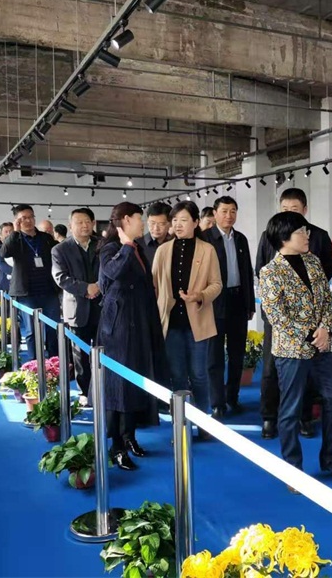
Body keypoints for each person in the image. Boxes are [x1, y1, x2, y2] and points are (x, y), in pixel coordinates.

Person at [259, 211, 332, 486]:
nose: (307, 235)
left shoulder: (313, 261)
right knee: (291, 408)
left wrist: (325, 329)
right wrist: (313, 335)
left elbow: (326, 300)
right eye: (301, 232)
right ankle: (293, 469)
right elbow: (277, 317)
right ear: (284, 237)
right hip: (291, 350)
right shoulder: (270, 272)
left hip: (323, 347)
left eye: (306, 231)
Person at [256, 188, 332, 440]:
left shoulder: (318, 237)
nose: (289, 214)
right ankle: (269, 417)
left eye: (295, 210)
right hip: (281, 321)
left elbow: (326, 276)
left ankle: (306, 416)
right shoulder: (269, 236)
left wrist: (321, 325)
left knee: (310, 374)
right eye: (285, 209)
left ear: (305, 210)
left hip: (314, 321)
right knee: (271, 369)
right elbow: (261, 269)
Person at [96, 202, 169, 470]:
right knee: (118, 388)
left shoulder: (136, 247)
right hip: (119, 328)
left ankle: (129, 437)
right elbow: (112, 273)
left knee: (134, 383)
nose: (144, 224)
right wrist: (126, 246)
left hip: (139, 323)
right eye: (140, 218)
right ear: (126, 220)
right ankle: (116, 446)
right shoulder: (111, 247)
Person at [152, 201, 222, 424]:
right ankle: (181, 425)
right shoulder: (163, 250)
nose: (178, 225)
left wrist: (199, 295)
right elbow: (154, 286)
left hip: (197, 321)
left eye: (183, 220)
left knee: (199, 375)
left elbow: (217, 284)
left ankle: (203, 423)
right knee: (177, 376)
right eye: (174, 220)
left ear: (195, 222)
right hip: (171, 322)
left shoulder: (207, 250)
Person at [201, 196, 255, 418]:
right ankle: (217, 403)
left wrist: (250, 304)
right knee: (214, 357)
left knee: (236, 355)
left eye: (233, 211)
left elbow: (247, 273)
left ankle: (232, 397)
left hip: (238, 302)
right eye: (224, 211)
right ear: (214, 213)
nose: (229, 215)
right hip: (214, 303)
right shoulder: (205, 238)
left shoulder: (241, 239)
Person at [51, 208, 101, 405]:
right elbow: (60, 277)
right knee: (80, 353)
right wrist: (86, 288)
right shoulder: (60, 249)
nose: (84, 225)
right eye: (79, 222)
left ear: (93, 223)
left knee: (104, 350)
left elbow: (109, 270)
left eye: (87, 221)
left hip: (102, 305)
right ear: (70, 226)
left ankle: (104, 388)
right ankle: (85, 391)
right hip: (77, 308)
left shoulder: (102, 245)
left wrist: (99, 286)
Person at [0, 205, 61, 359]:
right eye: (23, 218)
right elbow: (4, 252)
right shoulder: (16, 239)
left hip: (48, 291)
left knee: (53, 329)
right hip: (26, 292)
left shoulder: (45, 238)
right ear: (17, 221)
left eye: (30, 217)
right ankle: (34, 364)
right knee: (32, 331)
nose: (28, 221)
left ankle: (54, 363)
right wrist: (14, 232)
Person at [136, 202, 173, 267]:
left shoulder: (175, 244)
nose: (156, 228)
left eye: (161, 224)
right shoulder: (137, 245)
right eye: (152, 223)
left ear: (170, 223)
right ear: (147, 221)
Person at [0, 223, 14, 291]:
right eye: (6, 232)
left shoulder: (22, 247)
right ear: (1, 235)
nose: (9, 234)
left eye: (11, 231)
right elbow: (1, 264)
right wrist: (19, 273)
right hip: (5, 284)